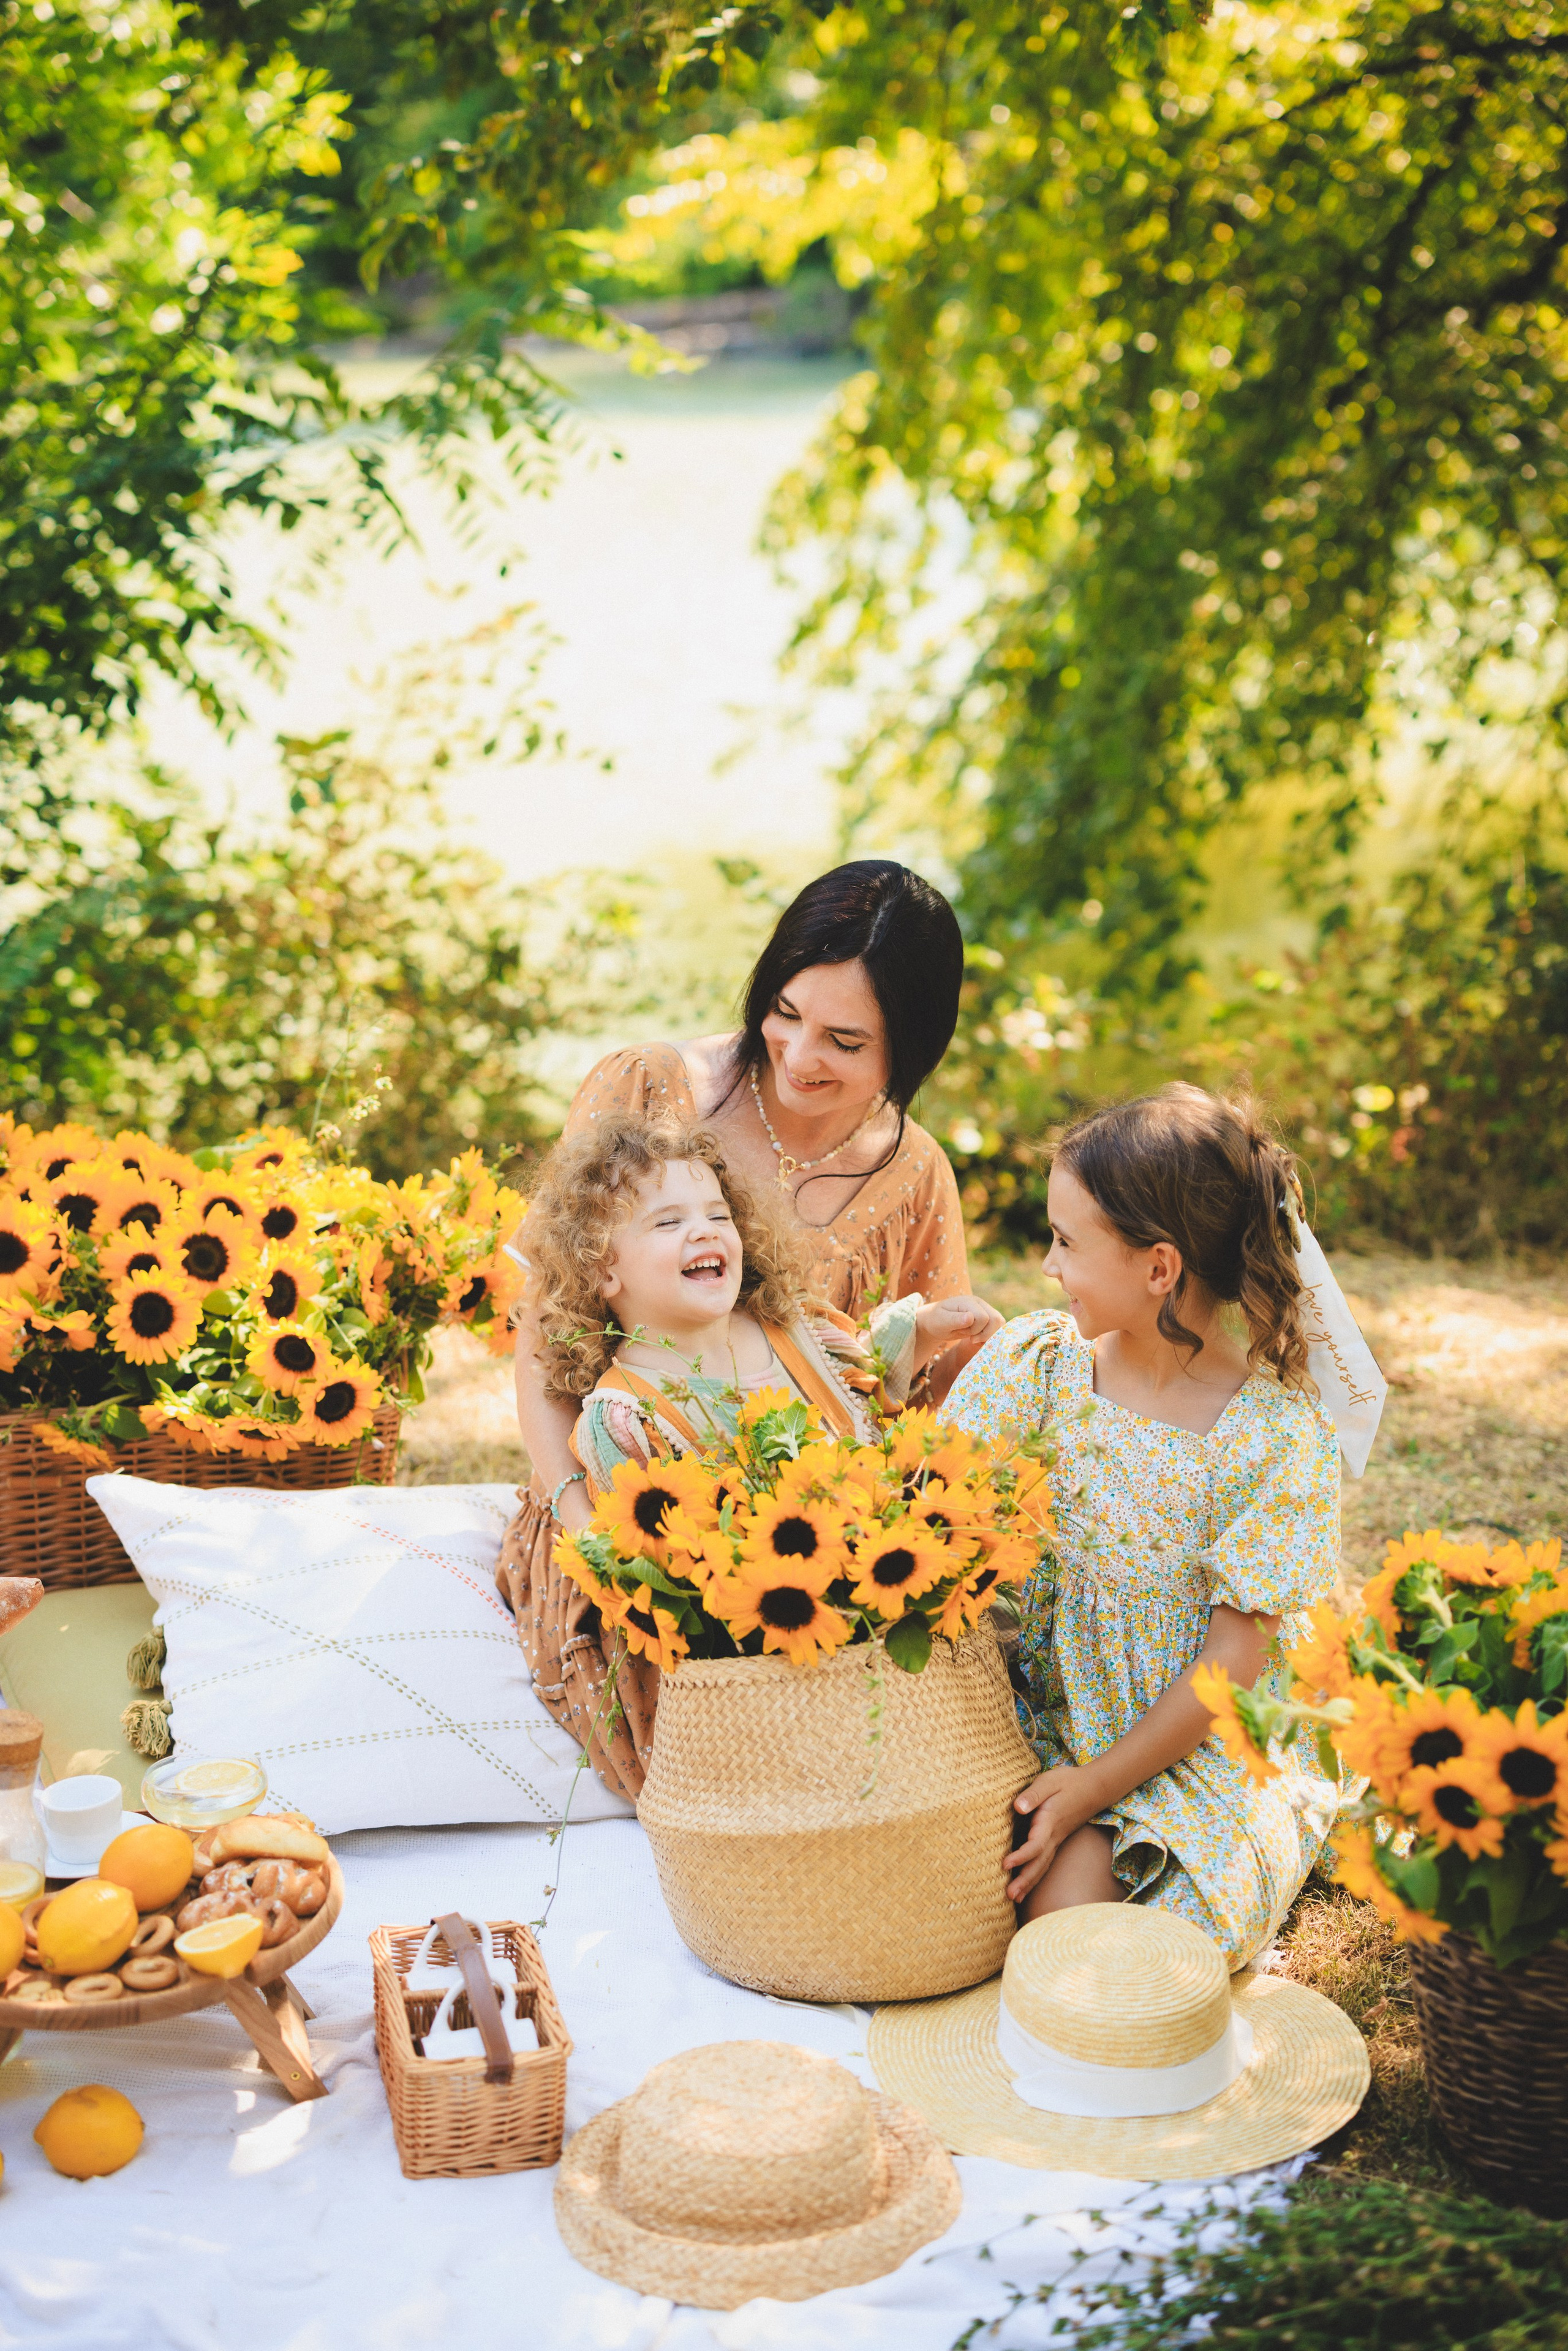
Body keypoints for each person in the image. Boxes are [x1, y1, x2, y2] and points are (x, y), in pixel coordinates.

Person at [944, 1084, 1341, 1971]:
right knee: (1052, 1923)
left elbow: (1231, 1666)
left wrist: (1094, 1787)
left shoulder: (1276, 1437)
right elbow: (934, 1502)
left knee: (1160, 1960)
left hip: (1199, 1736)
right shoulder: (1041, 1368)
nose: (1048, 1265)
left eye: (1067, 1241)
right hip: (1051, 1713)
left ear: (1159, 1267)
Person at [527, 1115, 995, 1492]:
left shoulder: (790, 1330)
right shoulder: (625, 1417)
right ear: (601, 1269)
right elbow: (639, 1547)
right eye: (668, 1223)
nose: (705, 1230)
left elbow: (863, 1380)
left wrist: (929, 1329)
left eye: (718, 1215)